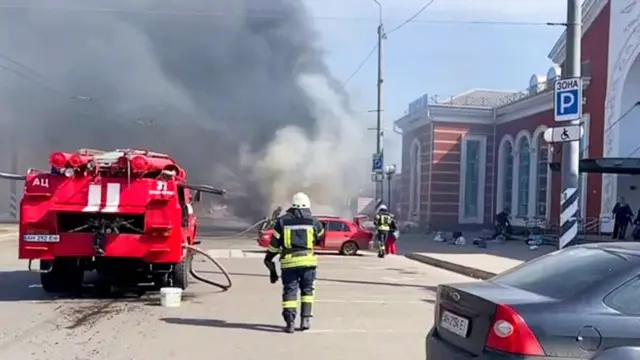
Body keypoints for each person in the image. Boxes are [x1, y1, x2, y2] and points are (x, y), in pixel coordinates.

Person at [263, 192, 325, 333]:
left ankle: (290, 322)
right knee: (307, 291)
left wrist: (269, 258)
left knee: (290, 292)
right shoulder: (314, 221)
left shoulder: (282, 221)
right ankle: (305, 320)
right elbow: (321, 238)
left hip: (289, 263)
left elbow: (274, 245)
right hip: (308, 262)